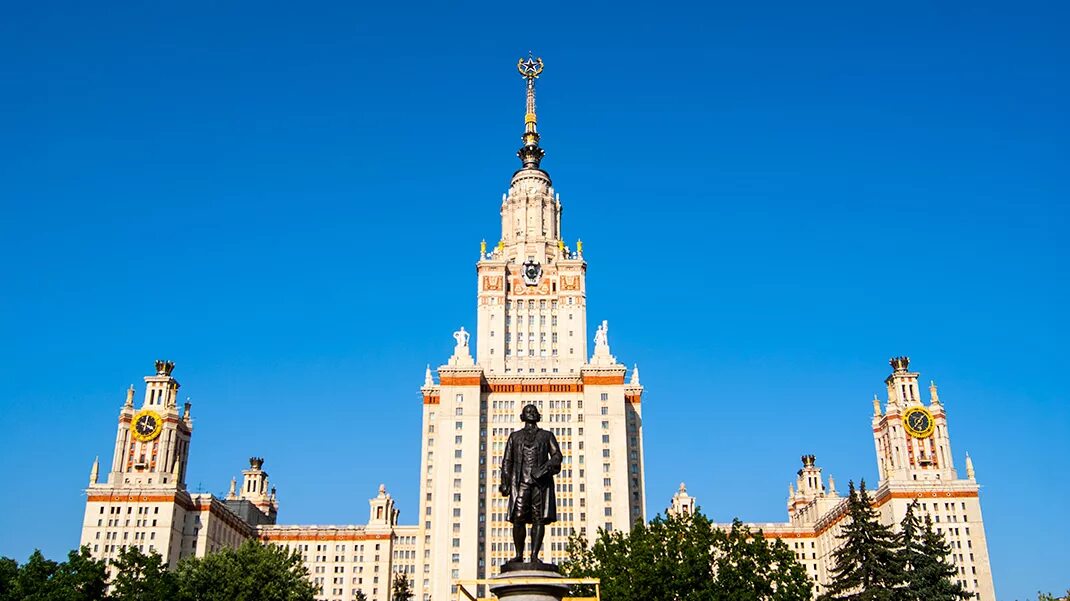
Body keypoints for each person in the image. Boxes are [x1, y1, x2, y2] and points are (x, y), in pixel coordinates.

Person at [499, 403, 562, 564]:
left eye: (534, 411)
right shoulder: (515, 437)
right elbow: (507, 460)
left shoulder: (546, 436)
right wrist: (505, 482)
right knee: (518, 518)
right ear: (522, 416)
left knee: (538, 518)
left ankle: (534, 555)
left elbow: (557, 456)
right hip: (521, 484)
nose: (531, 413)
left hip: (540, 484)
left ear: (538, 415)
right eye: (528, 411)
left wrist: (545, 468)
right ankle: (519, 554)